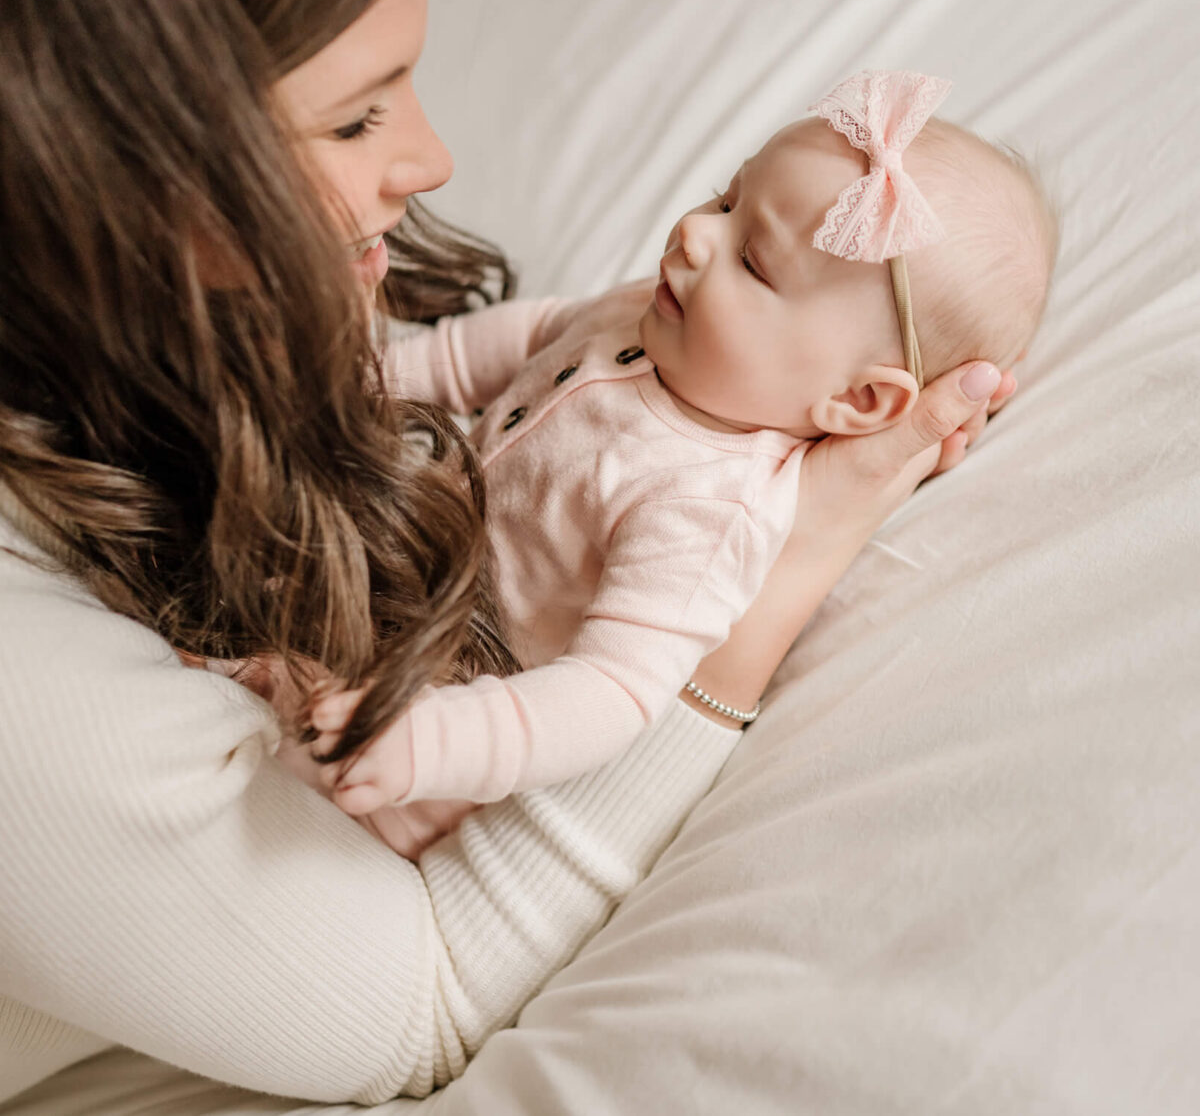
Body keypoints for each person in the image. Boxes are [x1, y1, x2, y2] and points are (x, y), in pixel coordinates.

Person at [0, 0, 1011, 1112]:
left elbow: (454, 370)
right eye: (357, 117)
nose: (431, 160)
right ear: (94, 157)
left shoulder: (122, 298)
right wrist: (775, 583)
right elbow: (419, 1001)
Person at [314, 70, 1055, 857]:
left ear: (860, 401)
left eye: (756, 262)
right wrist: (365, 384)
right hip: (368, 579)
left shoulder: (709, 505)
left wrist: (430, 740)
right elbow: (507, 344)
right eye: (725, 199)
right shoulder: (652, 313)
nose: (698, 235)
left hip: (417, 737)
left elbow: (608, 694)